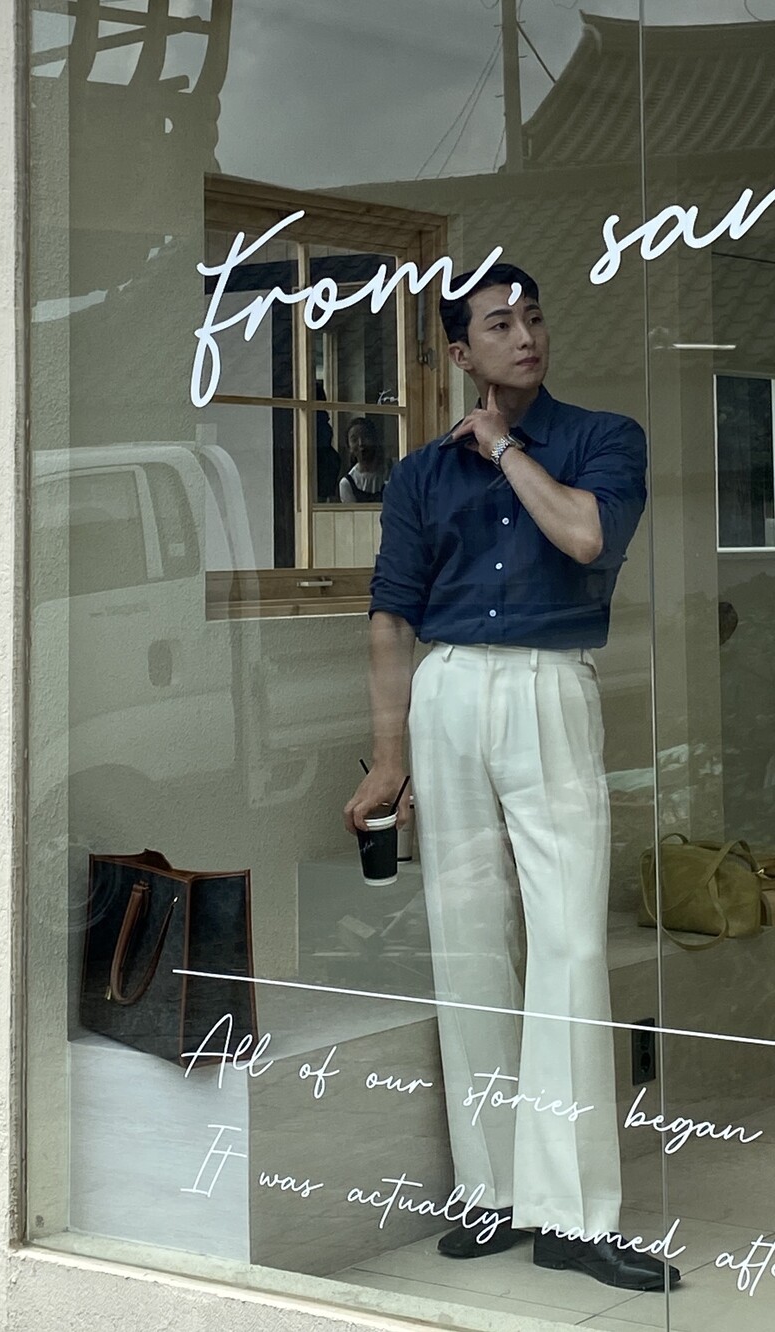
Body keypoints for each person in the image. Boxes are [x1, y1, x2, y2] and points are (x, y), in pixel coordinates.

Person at [344, 264, 678, 1293]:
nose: (524, 334)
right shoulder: (419, 476)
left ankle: (573, 1215)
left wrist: (501, 447)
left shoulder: (603, 439)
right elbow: (392, 615)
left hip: (547, 685)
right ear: (460, 352)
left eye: (533, 316)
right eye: (498, 323)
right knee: (468, 939)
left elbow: (584, 533)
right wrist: (390, 758)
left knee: (569, 941)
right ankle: (491, 1192)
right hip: (447, 689)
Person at [339, 417, 389, 503]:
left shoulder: (391, 473)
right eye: (354, 440)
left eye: (365, 437)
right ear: (349, 447)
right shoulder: (347, 484)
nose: (361, 443)